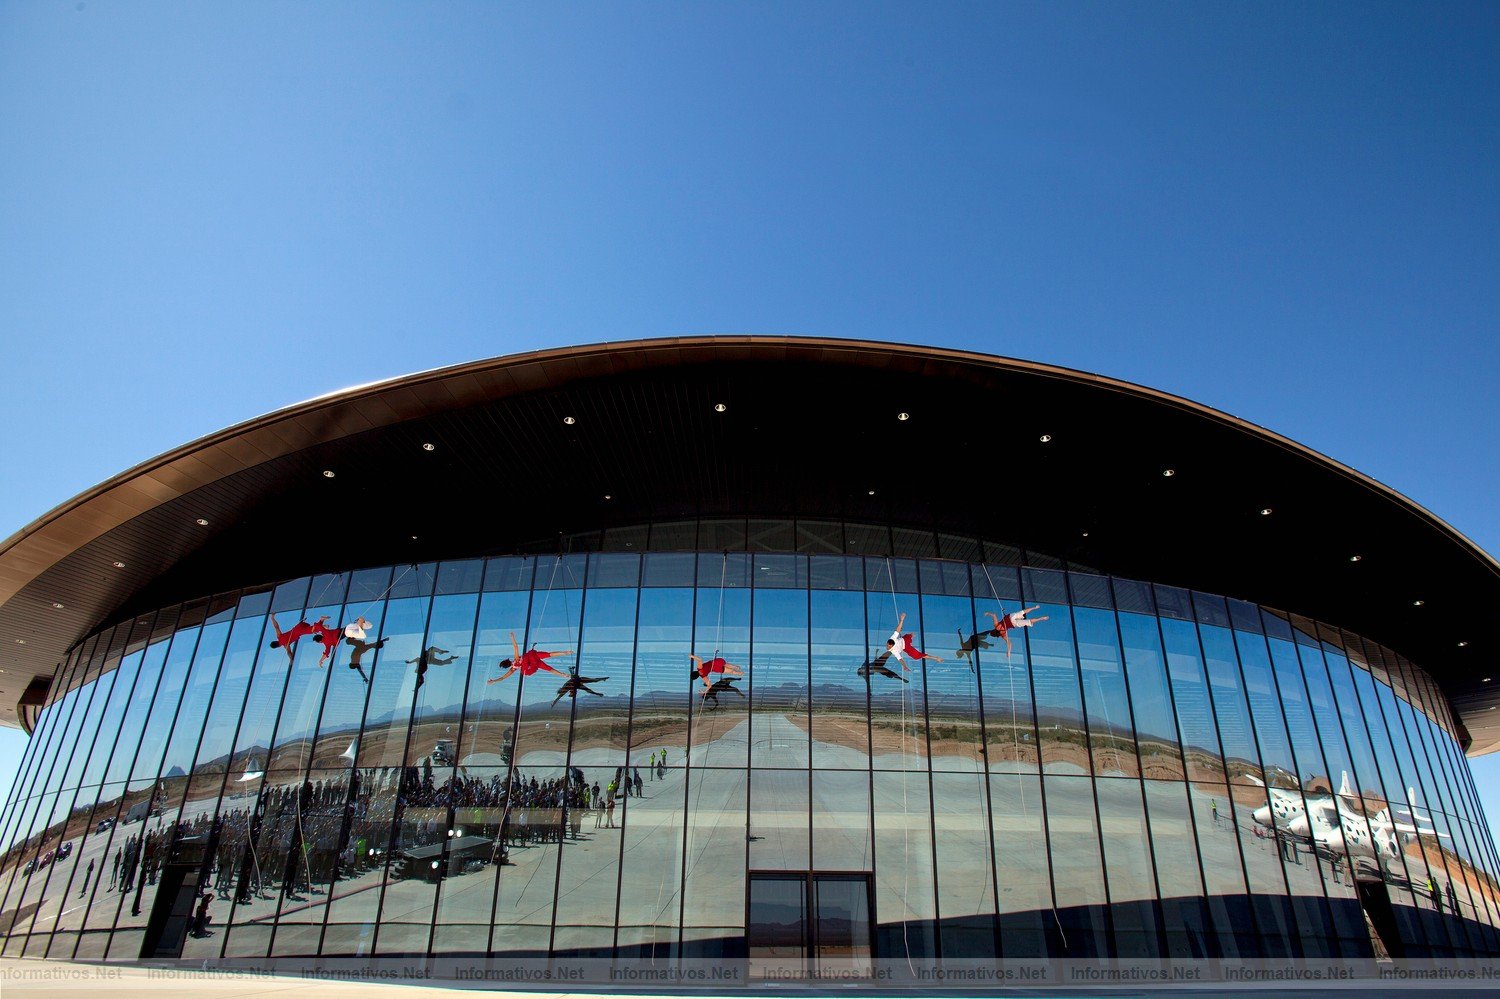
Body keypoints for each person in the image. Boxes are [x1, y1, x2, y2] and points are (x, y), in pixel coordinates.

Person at [488, 632, 572, 684]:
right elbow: (515, 647)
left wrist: (494, 681)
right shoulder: (516, 659)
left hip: (534, 663)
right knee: (549, 654)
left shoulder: (512, 669)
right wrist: (512, 638)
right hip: (533, 656)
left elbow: (503, 678)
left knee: (549, 669)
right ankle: (564, 652)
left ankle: (562, 675)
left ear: (507, 666)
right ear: (507, 660)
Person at [982, 607, 1049, 657]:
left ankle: (1041, 618)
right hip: (1010, 617)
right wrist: (988, 613)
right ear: (993, 630)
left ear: (997, 635)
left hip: (1013, 624)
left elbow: (1009, 643)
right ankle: (1035, 607)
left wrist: (1008, 652)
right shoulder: (996, 625)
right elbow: (994, 615)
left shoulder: (1002, 634)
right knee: (1023, 612)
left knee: (1028, 621)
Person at [342, 617, 387, 683]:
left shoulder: (356, 664)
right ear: (350, 664)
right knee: (348, 641)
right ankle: (358, 628)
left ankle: (380, 642)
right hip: (359, 647)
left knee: (371, 645)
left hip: (362, 650)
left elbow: (361, 671)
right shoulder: (353, 661)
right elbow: (360, 671)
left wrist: (365, 678)